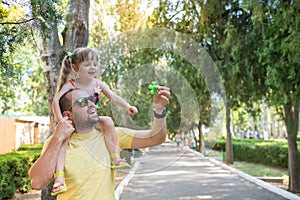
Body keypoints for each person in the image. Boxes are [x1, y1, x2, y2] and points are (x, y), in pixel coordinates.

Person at [28, 86, 170, 199]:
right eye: (83, 102)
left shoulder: (111, 135)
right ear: (67, 115)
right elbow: (37, 182)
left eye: (91, 99)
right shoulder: (56, 143)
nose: (91, 105)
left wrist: (159, 109)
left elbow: (156, 137)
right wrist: (58, 137)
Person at [51, 47, 138, 196]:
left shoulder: (98, 84)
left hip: (90, 121)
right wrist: (61, 121)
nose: (92, 67)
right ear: (75, 68)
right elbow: (56, 100)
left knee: (108, 121)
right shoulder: (72, 84)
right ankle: (59, 178)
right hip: (73, 122)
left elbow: (114, 97)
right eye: (87, 64)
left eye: (95, 64)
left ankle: (115, 158)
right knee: (63, 143)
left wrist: (128, 106)